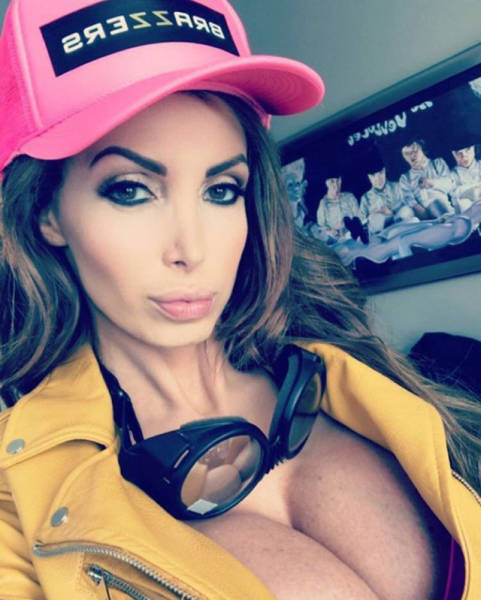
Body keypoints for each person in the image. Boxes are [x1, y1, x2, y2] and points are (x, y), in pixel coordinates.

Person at [0, 1, 480, 599]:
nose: (191, 249)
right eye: (130, 190)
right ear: (46, 212)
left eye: (222, 190)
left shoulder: (351, 367)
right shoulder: (19, 494)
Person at [399, 138, 455, 219]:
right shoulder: (405, 178)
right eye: (407, 153)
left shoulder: (437, 163)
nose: (412, 156)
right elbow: (408, 199)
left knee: (437, 206)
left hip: (443, 207)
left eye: (415, 151)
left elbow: (450, 185)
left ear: (422, 149)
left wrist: (432, 182)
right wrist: (419, 210)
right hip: (422, 214)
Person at [359, 165, 417, 235]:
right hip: (381, 232)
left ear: (384, 171)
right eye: (373, 176)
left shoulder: (397, 186)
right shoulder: (366, 198)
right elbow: (362, 221)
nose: (378, 179)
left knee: (406, 210)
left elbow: (408, 204)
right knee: (374, 219)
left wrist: (391, 211)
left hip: (400, 224)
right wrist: (374, 214)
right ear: (369, 177)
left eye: (380, 173)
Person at [315, 172, 360, 243]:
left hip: (354, 236)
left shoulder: (350, 197)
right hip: (336, 241)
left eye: (338, 181)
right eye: (332, 182)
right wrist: (329, 231)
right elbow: (321, 226)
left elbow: (358, 216)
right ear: (327, 183)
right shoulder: (323, 203)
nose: (336, 185)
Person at [450, 144, 481, 211]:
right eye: (459, 153)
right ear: (454, 155)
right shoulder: (452, 175)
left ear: (473, 149)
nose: (464, 156)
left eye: (467, 150)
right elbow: (454, 198)